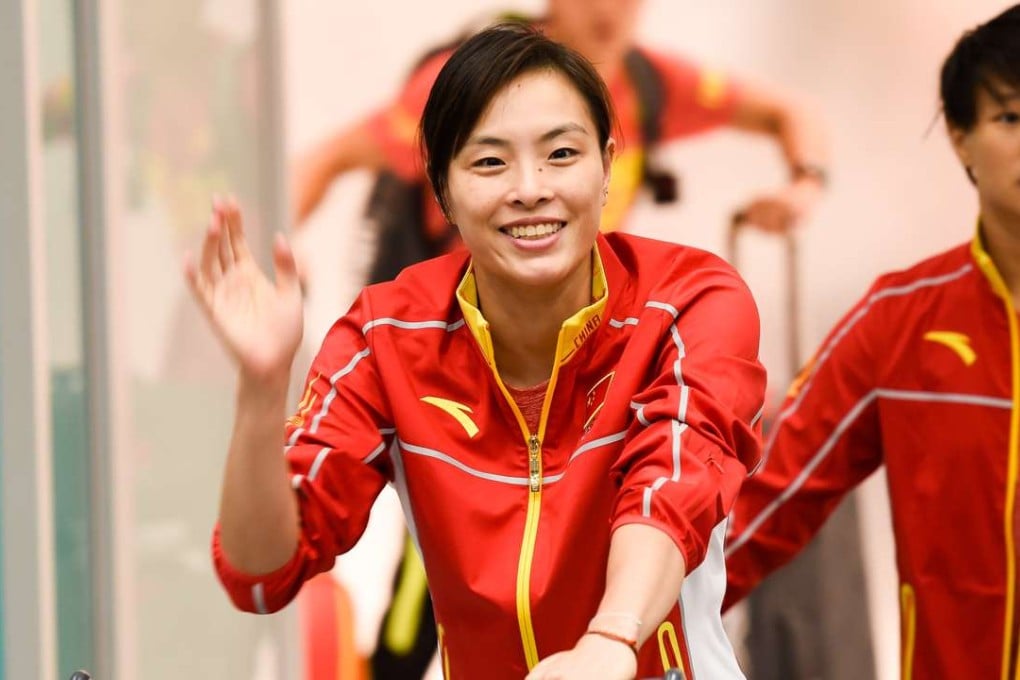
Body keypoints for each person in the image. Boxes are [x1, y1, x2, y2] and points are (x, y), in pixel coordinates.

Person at [187, 24, 765, 679]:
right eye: (490, 162)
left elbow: (673, 483)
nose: (530, 188)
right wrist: (262, 389)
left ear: (608, 166)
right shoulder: (385, 335)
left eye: (562, 154)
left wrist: (611, 640)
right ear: (442, 189)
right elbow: (260, 574)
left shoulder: (691, 301)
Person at [723, 5, 1020, 678]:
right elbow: (764, 507)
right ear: (961, 137)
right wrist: (616, 627)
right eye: (1010, 117)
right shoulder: (899, 322)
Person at [293, 0, 829, 252]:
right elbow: (327, 158)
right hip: (456, 334)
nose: (607, 8)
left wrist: (805, 185)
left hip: (572, 336)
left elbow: (791, 111)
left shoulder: (653, 83)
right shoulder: (472, 79)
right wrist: (276, 258)